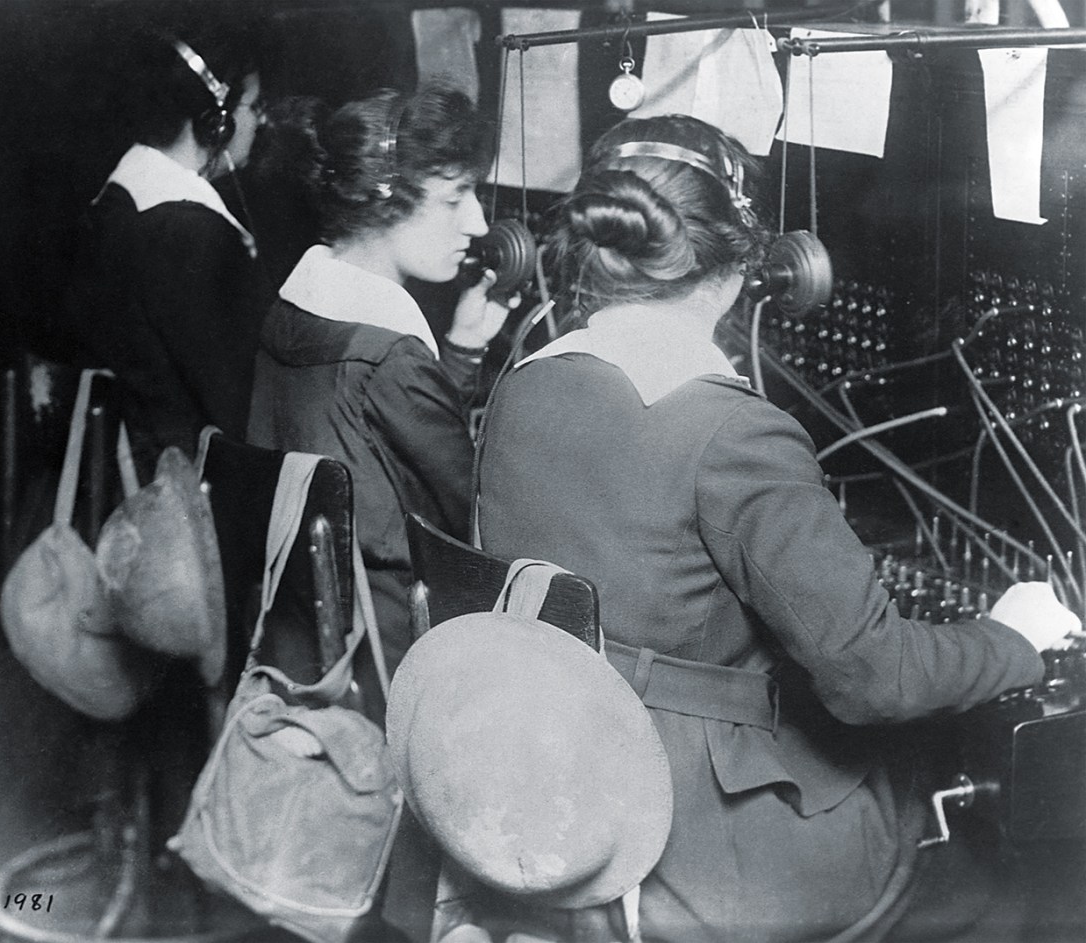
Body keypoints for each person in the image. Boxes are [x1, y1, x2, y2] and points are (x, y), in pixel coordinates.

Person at [475, 114, 1081, 943]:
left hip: (556, 787)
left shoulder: (523, 385)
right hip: (696, 844)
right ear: (742, 267)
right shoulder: (731, 430)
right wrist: (1016, 633)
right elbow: (877, 679)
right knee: (1015, 879)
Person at [246, 83, 509, 687]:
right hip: (394, 651)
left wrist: (461, 350)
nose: (478, 222)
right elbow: (474, 514)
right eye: (456, 197)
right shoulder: (389, 356)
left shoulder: (291, 313)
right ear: (385, 200)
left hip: (302, 632)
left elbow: (382, 452)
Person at [64, 26, 270, 481]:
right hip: (195, 495)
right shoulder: (194, 235)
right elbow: (242, 413)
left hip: (136, 479)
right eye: (254, 108)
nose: (260, 122)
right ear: (217, 121)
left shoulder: (117, 203)